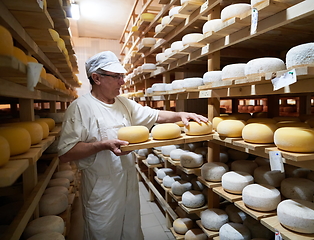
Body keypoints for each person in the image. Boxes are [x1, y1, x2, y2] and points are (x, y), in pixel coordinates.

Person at [57, 51, 208, 240]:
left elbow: (155, 115)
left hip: (128, 183)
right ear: (96, 78)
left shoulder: (123, 103)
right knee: (103, 234)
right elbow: (65, 153)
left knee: (131, 232)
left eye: (122, 76)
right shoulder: (81, 107)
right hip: (102, 189)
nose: (122, 82)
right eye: (116, 77)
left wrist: (181, 115)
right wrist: (101, 145)